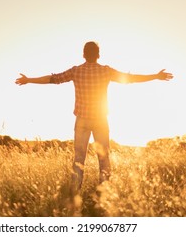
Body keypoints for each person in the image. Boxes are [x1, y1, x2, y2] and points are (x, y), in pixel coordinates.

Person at [15, 41, 173, 192]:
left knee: (78, 159)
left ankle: (75, 193)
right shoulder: (105, 71)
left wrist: (29, 80)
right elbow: (130, 78)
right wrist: (155, 76)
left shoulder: (76, 70)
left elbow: (52, 79)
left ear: (83, 55)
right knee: (104, 158)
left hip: (82, 121)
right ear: (98, 55)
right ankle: (104, 194)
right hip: (100, 119)